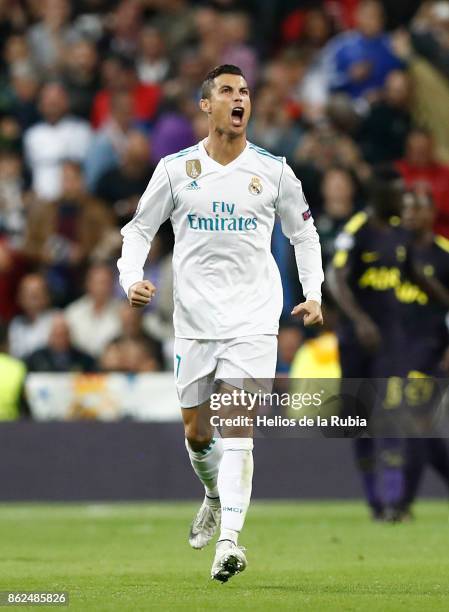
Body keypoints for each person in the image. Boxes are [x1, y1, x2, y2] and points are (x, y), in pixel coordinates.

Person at [117, 65, 324, 582]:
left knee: (238, 427)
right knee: (196, 430)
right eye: (227, 91)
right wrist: (130, 279)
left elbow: (305, 235)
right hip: (193, 320)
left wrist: (313, 292)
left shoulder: (274, 171)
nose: (239, 99)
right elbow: (139, 229)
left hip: (254, 318)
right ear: (206, 105)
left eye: (245, 91)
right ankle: (212, 495)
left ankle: (229, 541)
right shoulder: (174, 170)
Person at [395, 190, 449, 517]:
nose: (411, 214)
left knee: (415, 422)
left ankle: (403, 504)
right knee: (421, 431)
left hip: (431, 353)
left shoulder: (444, 256)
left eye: (418, 208)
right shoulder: (392, 251)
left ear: (432, 214)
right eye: (407, 208)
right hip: (395, 352)